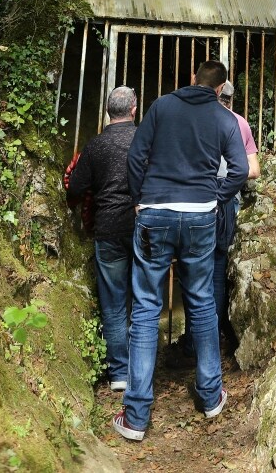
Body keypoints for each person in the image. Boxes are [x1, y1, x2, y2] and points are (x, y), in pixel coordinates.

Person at [113, 61, 249, 442]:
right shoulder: (224, 120)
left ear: (193, 78)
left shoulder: (161, 106)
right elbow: (238, 169)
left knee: (145, 307)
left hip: (155, 211)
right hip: (200, 217)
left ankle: (136, 416)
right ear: (220, 88)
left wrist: (142, 199)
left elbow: (136, 157)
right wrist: (215, 197)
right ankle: (210, 396)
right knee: (202, 302)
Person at [169, 79, 259, 367]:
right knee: (217, 272)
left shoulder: (192, 118)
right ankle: (208, 343)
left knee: (193, 271)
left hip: (193, 199)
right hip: (225, 202)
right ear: (232, 98)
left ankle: (192, 343)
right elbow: (253, 170)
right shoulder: (240, 124)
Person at [65, 86, 137, 392]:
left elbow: (75, 189)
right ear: (134, 109)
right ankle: (143, 368)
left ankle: (119, 373)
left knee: (113, 303)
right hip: (143, 227)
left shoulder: (95, 146)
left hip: (108, 229)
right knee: (145, 300)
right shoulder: (146, 140)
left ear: (109, 111)